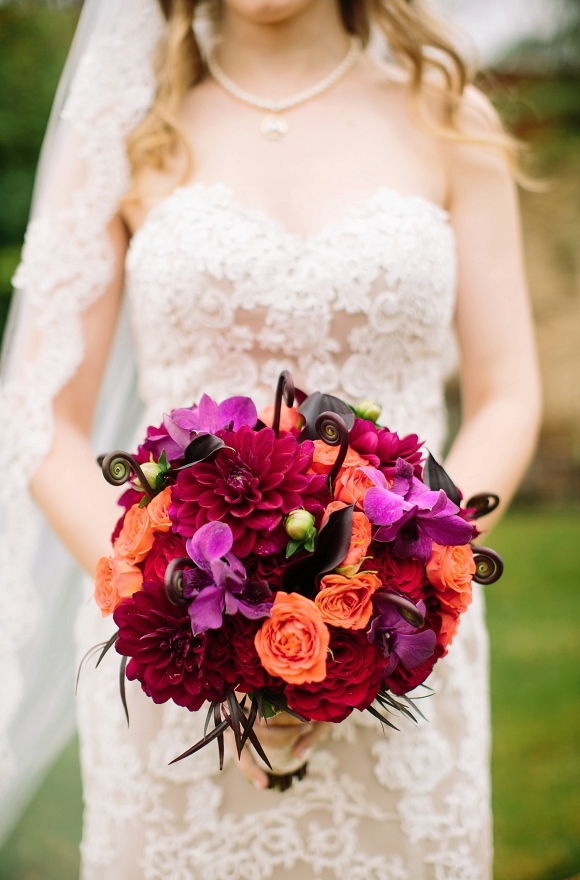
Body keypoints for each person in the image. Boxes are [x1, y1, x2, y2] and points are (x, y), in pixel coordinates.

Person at [0, 0, 541, 877]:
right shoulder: (127, 132)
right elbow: (41, 412)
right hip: (180, 668)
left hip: (397, 651)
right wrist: (167, 599)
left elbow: (509, 395)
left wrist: (407, 585)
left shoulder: (447, 118)